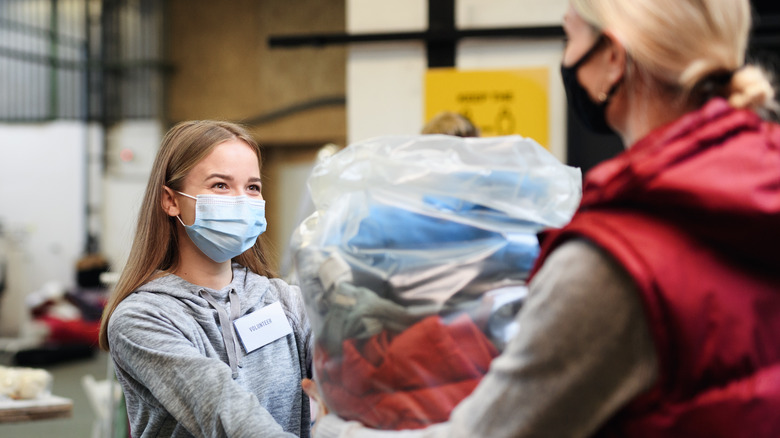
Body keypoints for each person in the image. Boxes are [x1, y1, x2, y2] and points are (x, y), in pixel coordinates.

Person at [306, 0, 780, 436]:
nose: (567, 59)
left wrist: (331, 429)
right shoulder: (756, 189)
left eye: (569, 38)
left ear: (613, 57)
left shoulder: (614, 262)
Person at [98, 121, 311, 437]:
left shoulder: (283, 300)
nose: (241, 201)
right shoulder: (140, 319)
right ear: (171, 200)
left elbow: (349, 377)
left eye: (252, 187)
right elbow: (229, 417)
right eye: (220, 186)